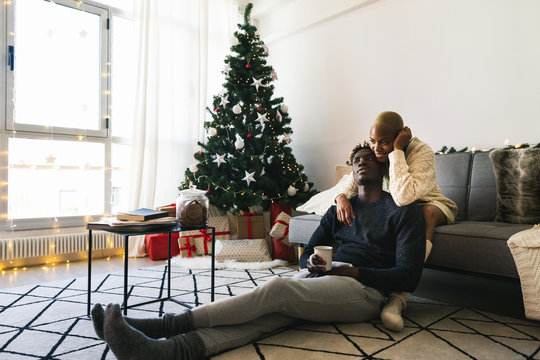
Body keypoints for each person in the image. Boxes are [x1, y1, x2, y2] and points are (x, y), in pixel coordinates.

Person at [91, 145, 426, 360]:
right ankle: (166, 353)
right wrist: (310, 260)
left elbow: (409, 275)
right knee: (269, 317)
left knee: (277, 289)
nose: (362, 163)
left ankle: (162, 327)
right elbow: (309, 247)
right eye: (356, 160)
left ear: (382, 169)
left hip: (366, 290)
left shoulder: (403, 210)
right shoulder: (340, 207)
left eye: (369, 159)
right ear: (351, 172)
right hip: (325, 276)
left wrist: (354, 272)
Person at [334, 111, 458, 332]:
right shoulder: (377, 154)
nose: (377, 148)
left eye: (384, 142)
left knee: (423, 214)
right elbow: (354, 181)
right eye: (373, 141)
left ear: (400, 136)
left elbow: (404, 197)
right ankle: (379, 281)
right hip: (404, 210)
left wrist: (398, 151)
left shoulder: (421, 151)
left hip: (431, 204)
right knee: (396, 216)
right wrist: (341, 197)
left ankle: (397, 298)